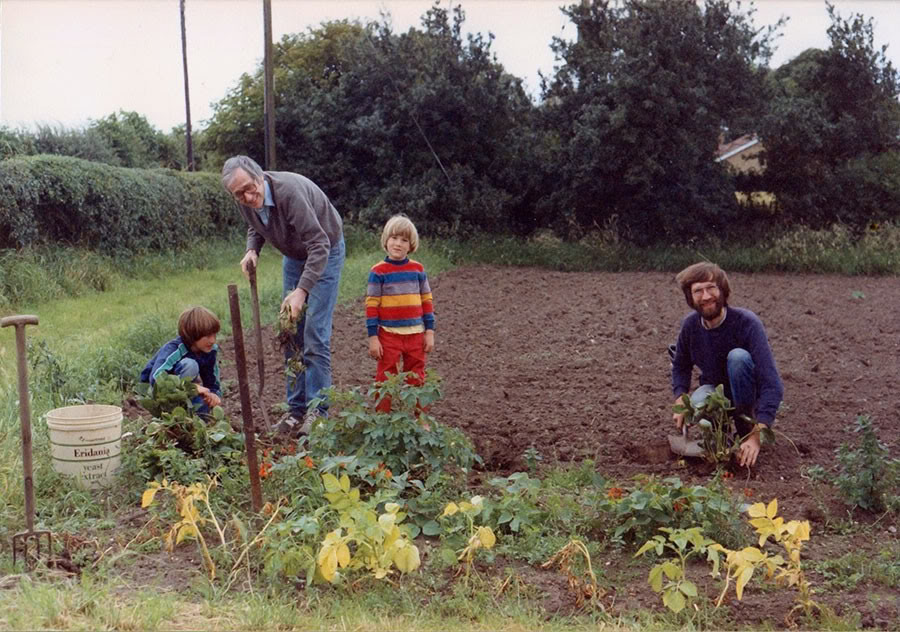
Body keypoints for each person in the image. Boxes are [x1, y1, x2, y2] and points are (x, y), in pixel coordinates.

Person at [221, 155, 345, 437]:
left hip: (325, 251)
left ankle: (318, 411)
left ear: (260, 175)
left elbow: (319, 244)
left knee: (314, 333)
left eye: (250, 188)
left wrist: (302, 291)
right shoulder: (245, 201)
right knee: (290, 332)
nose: (248, 196)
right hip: (294, 255)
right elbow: (257, 224)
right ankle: (296, 410)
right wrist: (252, 248)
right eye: (239, 194)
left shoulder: (289, 193)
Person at [669, 262, 784, 468]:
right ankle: (719, 436)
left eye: (711, 288)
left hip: (748, 395)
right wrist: (680, 398)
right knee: (696, 403)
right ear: (690, 297)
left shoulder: (747, 323)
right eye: (698, 291)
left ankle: (745, 430)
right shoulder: (690, 326)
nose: (705, 296)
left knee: (738, 358)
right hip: (716, 395)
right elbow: (680, 365)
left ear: (723, 290)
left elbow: (772, 384)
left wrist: (758, 434)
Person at [366, 214, 435, 413]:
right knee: (385, 379)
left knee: (417, 378)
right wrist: (373, 337)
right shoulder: (378, 271)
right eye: (394, 238)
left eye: (404, 240)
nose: (398, 244)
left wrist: (429, 332)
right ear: (386, 241)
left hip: (416, 335)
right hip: (388, 335)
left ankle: (420, 419)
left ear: (411, 245)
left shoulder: (418, 269)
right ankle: (382, 420)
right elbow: (372, 305)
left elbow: (426, 301)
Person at [140, 306, 222, 415]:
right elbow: (156, 377)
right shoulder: (175, 349)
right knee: (190, 365)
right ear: (193, 334)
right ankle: (173, 409)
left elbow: (212, 382)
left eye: (214, 334)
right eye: (207, 336)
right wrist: (191, 387)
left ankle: (187, 409)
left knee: (203, 409)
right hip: (158, 392)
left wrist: (213, 395)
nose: (212, 340)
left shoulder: (210, 351)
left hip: (184, 388)